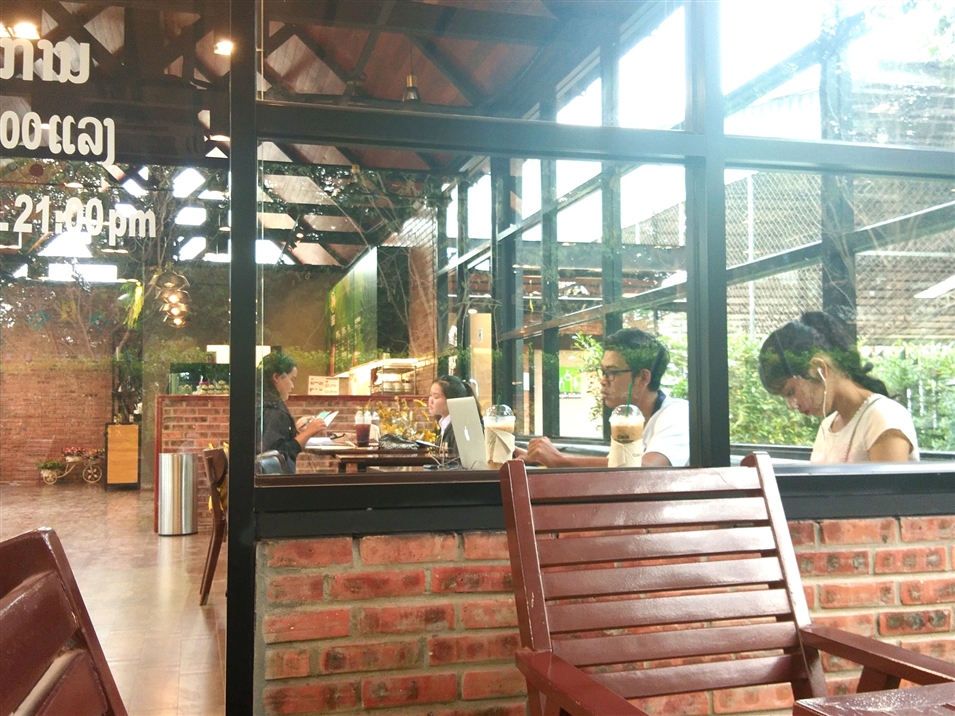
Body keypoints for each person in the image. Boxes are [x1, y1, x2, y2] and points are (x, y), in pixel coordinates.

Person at [758, 311, 919, 463]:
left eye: (791, 392)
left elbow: (889, 485)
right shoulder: (827, 426)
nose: (792, 405)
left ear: (819, 368)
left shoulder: (883, 418)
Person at [522, 328, 690, 467]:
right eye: (603, 372)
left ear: (643, 378)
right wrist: (539, 457)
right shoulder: (627, 420)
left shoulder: (677, 413)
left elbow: (648, 467)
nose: (603, 380)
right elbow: (617, 468)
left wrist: (559, 460)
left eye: (612, 372)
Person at [257, 351, 328, 473]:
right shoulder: (273, 410)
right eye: (292, 379)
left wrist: (296, 430)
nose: (293, 386)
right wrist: (309, 432)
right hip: (273, 481)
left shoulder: (261, 402)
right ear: (276, 377)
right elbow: (278, 456)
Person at [428, 375, 479, 461]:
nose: (430, 401)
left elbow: (459, 462)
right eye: (430, 395)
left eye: (436, 397)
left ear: (451, 399)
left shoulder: (460, 429)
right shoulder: (444, 426)